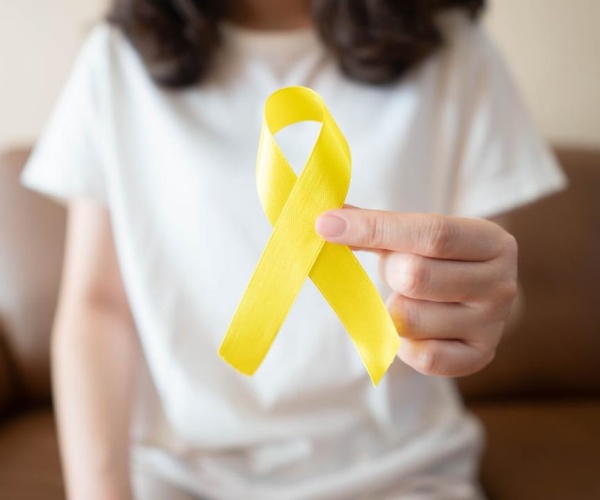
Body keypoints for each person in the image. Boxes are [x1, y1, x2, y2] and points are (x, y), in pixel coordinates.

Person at [21, 1, 566, 498]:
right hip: (182, 477)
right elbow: (97, 307)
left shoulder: (456, 50)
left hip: (405, 471)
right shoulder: (116, 62)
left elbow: (487, 291)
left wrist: (474, 308)